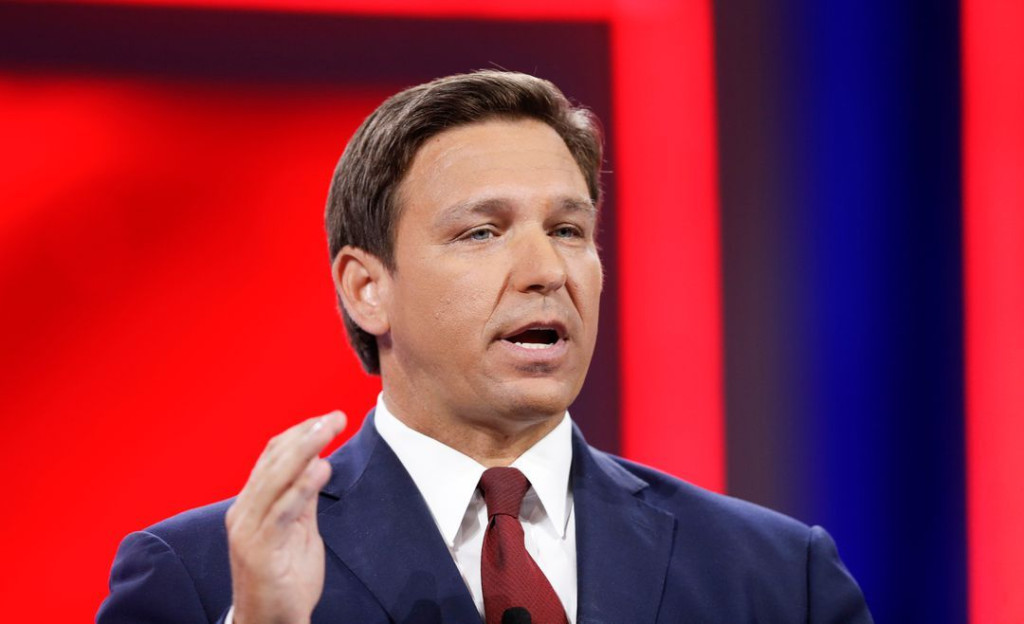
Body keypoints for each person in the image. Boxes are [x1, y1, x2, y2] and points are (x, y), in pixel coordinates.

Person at [97, 70, 873, 624]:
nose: (547, 271)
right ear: (367, 289)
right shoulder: (200, 578)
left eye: (568, 230)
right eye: (482, 232)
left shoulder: (776, 577)